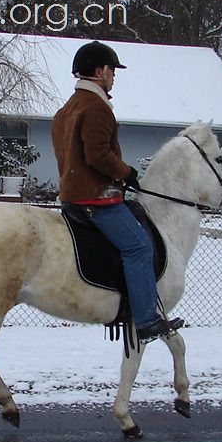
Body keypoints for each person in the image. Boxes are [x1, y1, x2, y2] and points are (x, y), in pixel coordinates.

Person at [51, 41, 183, 344]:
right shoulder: (95, 107)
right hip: (96, 198)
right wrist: (128, 174)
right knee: (139, 247)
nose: (114, 77)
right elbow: (97, 155)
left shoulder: (67, 108)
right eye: (112, 70)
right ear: (100, 71)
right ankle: (148, 319)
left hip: (72, 195)